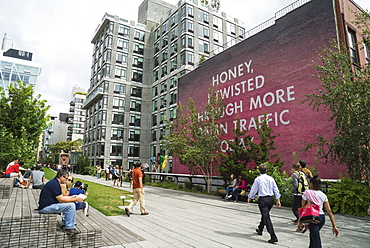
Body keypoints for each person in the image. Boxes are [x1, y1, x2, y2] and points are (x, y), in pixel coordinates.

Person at [38, 170, 84, 235]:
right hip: (46, 208)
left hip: (49, 205)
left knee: (69, 204)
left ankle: (65, 224)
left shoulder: (55, 183)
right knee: (70, 206)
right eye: (66, 178)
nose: (66, 180)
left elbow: (61, 197)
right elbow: (61, 200)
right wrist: (75, 199)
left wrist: (72, 197)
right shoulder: (54, 184)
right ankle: (69, 227)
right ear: (62, 177)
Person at [300, 176, 339, 248]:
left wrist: (301, 221)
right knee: (313, 237)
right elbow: (329, 211)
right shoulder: (323, 195)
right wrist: (334, 225)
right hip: (321, 218)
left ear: (311, 184)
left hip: (313, 218)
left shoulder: (307, 193)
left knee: (316, 240)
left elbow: (303, 207)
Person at [248, 163, 281, 244]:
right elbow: (276, 189)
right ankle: (260, 229)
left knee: (266, 217)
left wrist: (250, 197)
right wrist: (278, 199)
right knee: (265, 215)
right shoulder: (271, 179)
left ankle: (273, 236)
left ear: (259, 170)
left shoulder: (258, 179)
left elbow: (253, 189)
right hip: (270, 199)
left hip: (263, 199)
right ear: (266, 170)